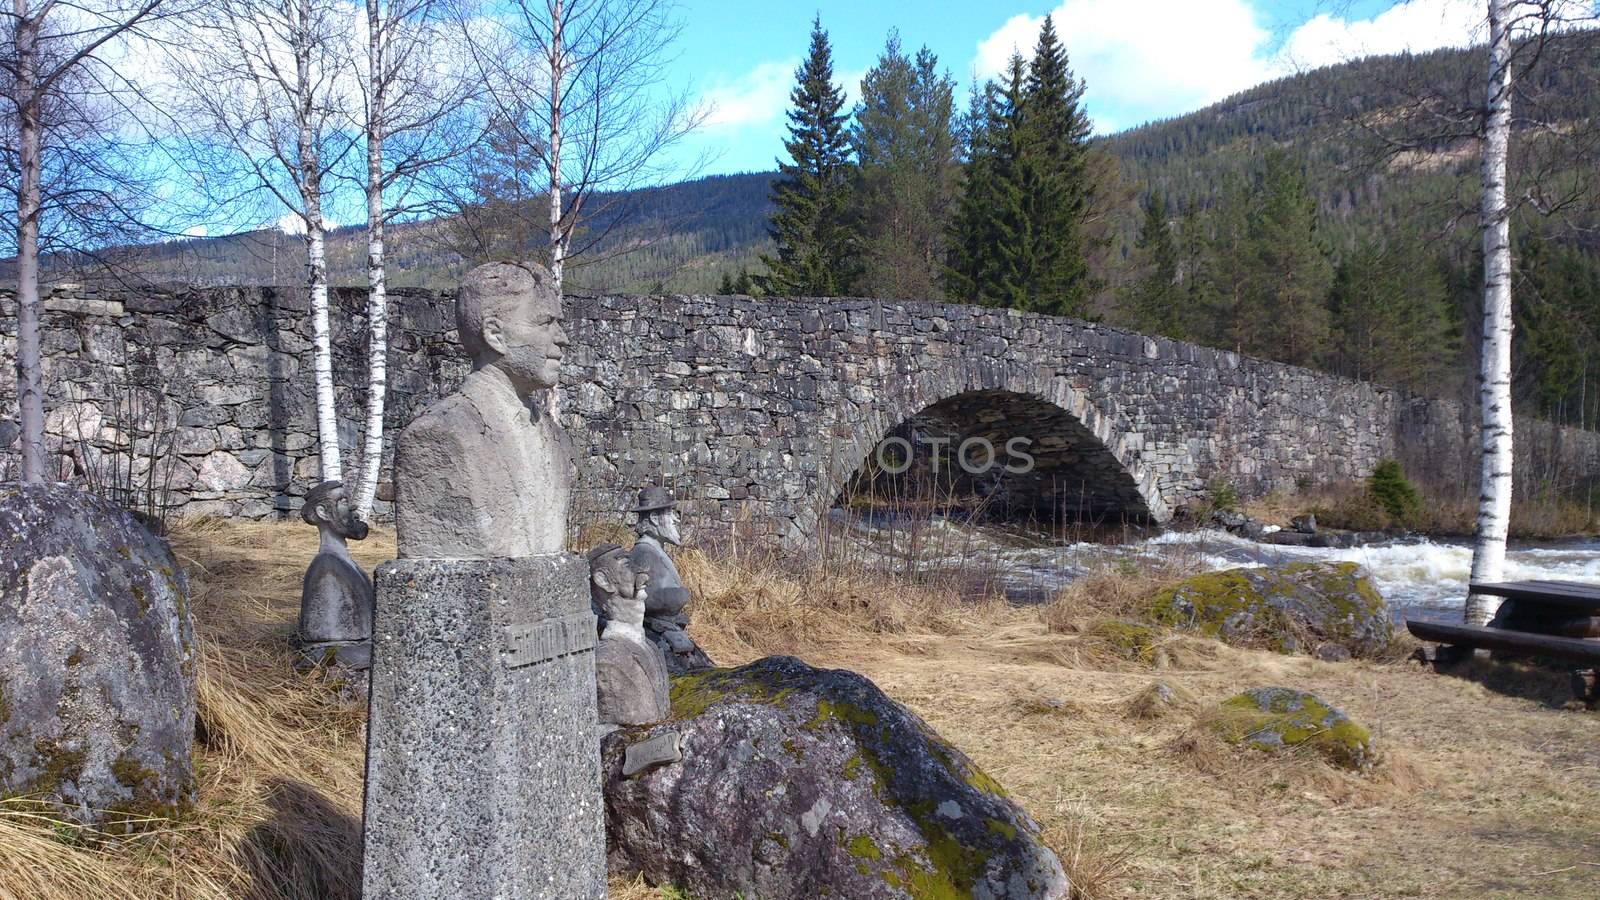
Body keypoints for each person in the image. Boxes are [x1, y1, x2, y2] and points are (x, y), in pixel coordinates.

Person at [394, 261, 572, 559]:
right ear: (494, 335)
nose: (562, 338)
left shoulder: (557, 441)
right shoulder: (437, 437)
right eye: (545, 323)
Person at [628, 486, 715, 673]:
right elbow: (643, 599)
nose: (676, 519)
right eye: (670, 513)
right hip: (658, 637)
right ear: (654, 518)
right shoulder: (644, 554)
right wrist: (678, 596)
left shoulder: (654, 551)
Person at [589, 543, 670, 731]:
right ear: (603, 580)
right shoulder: (607, 661)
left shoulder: (650, 646)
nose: (643, 574)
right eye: (626, 565)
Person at [297, 480, 374, 669]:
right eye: (343, 501)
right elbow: (325, 641)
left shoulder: (344, 563)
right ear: (322, 512)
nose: (353, 507)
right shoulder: (326, 566)